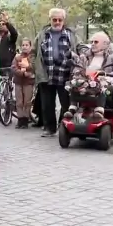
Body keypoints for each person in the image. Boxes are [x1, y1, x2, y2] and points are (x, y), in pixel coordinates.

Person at [33, 8, 77, 137]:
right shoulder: (42, 34)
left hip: (65, 75)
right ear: (50, 20)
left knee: (66, 103)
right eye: (54, 19)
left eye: (60, 20)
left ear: (64, 20)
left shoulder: (71, 34)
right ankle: (49, 128)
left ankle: (64, 126)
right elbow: (33, 52)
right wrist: (35, 66)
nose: (57, 22)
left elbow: (79, 48)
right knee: (47, 104)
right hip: (46, 74)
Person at [12, 38, 35, 128]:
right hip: (18, 82)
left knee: (27, 101)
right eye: (23, 45)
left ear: (30, 46)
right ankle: (20, 119)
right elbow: (14, 68)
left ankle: (25, 119)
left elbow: (34, 67)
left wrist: (28, 69)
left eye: (26, 45)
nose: (25, 47)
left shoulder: (32, 57)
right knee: (19, 101)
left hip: (28, 82)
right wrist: (22, 73)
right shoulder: (17, 57)